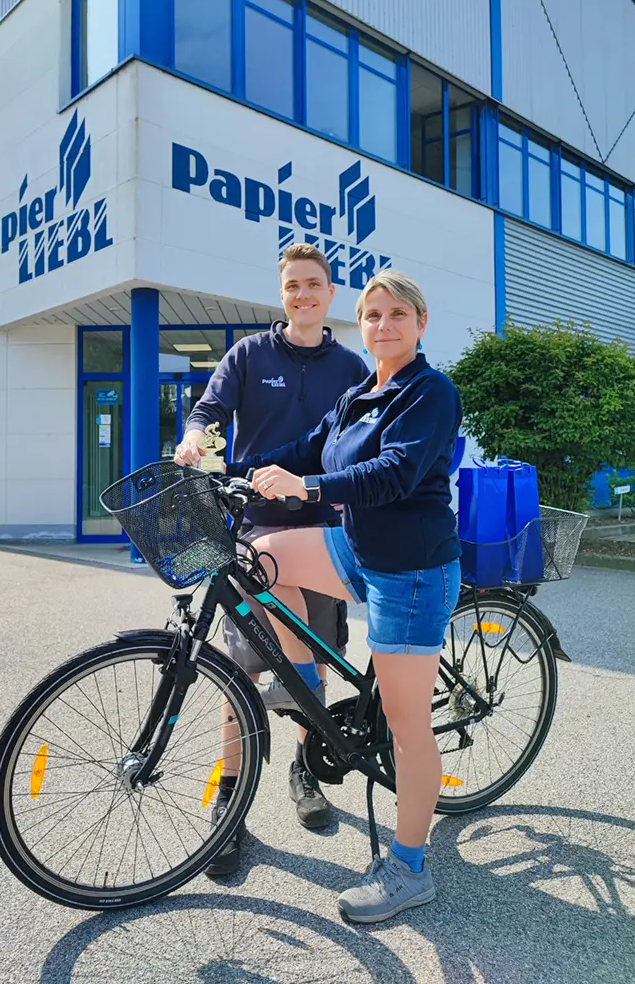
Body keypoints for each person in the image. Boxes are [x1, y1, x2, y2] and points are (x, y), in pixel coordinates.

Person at [227, 269, 462, 923]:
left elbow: (393, 473)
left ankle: (409, 869)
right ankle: (302, 679)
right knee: (262, 557)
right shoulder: (359, 393)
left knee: (407, 728)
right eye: (372, 315)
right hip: (358, 549)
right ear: (359, 326)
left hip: (410, 570)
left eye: (397, 314)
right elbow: (308, 447)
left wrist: (306, 488)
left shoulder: (430, 392)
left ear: (420, 322)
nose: (383, 325)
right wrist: (237, 473)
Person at [174, 242, 368, 875]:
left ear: (330, 293)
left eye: (313, 284)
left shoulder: (351, 366)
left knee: (314, 659)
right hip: (256, 528)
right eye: (292, 286)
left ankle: (305, 769)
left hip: (321, 529)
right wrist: (194, 438)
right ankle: (230, 802)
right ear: (281, 294)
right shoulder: (249, 354)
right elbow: (210, 409)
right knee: (243, 670)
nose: (302, 295)